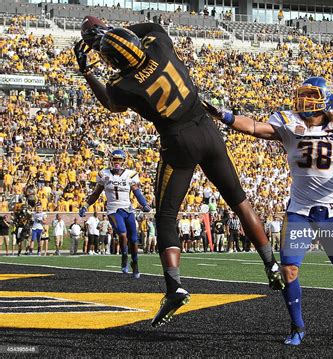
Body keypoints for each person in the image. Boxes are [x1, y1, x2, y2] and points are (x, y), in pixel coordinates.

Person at [76, 20, 284, 326]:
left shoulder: (122, 85)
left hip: (178, 141)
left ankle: (174, 286)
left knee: (166, 216)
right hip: (207, 129)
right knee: (239, 202)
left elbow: (110, 104)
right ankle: (271, 264)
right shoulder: (159, 45)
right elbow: (149, 27)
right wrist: (109, 32)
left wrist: (87, 71)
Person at [204, 76, 333, 345]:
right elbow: (255, 127)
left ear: (326, 100)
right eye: (302, 94)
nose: (304, 100)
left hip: (332, 212)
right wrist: (225, 116)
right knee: (289, 269)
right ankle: (297, 326)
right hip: (300, 212)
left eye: (311, 95)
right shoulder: (289, 123)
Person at [79, 149, 151, 279]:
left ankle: (135, 263)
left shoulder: (130, 174)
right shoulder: (104, 174)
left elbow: (137, 192)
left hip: (128, 210)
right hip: (113, 210)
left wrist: (144, 204)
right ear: (111, 160)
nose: (117, 162)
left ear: (123, 161)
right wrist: (85, 205)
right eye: (115, 159)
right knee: (122, 234)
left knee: (134, 240)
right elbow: (96, 193)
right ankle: (124, 256)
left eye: (119, 160)